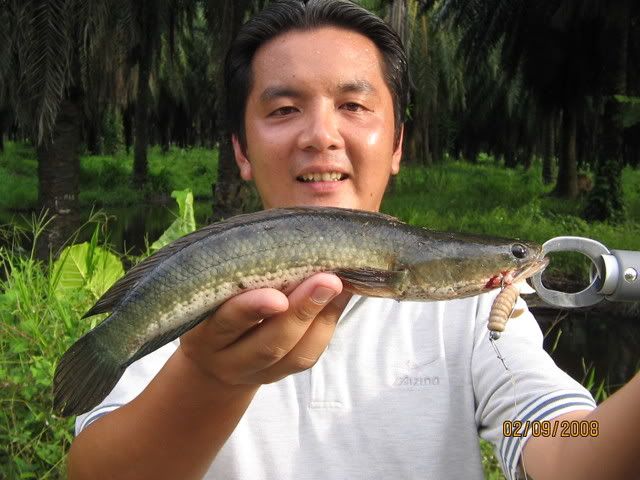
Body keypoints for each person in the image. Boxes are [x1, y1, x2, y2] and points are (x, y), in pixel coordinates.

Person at [67, 1, 640, 479]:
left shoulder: (477, 311)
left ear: (396, 145)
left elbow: (567, 445)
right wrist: (208, 377)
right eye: (285, 108)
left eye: (353, 106)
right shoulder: (178, 300)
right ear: (241, 149)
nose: (321, 135)